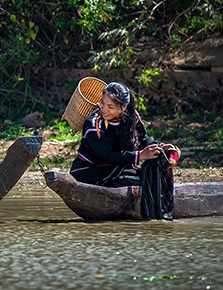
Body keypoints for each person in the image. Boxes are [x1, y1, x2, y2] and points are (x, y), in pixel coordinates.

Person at [69, 81, 179, 219]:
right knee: (142, 181)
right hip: (89, 171)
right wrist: (140, 156)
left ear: (123, 107)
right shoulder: (93, 124)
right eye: (102, 103)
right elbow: (106, 156)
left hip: (118, 167)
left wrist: (163, 148)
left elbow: (143, 140)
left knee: (152, 175)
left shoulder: (132, 117)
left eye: (110, 107)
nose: (104, 109)